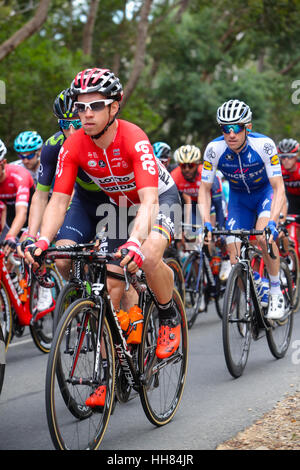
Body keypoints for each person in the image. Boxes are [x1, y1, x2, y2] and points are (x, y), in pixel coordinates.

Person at [24, 68, 182, 389]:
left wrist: (137, 241)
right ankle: (113, 359)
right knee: (111, 281)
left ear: (114, 107)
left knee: (149, 256)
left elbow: (150, 200)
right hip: (119, 208)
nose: (86, 113)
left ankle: (168, 316)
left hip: (158, 200)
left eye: (95, 105)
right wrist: (41, 239)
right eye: (80, 106)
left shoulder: (133, 138)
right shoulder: (74, 145)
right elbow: (57, 201)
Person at [198, 99, 286, 320]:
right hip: (239, 200)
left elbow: (278, 186)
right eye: (225, 129)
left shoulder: (264, 145)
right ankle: (257, 284)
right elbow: (204, 189)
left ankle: (276, 291)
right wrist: (206, 223)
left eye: (236, 127)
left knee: (264, 237)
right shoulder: (213, 149)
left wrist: (273, 222)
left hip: (264, 194)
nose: (231, 134)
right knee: (234, 254)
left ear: (247, 127)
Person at [171, 144, 225, 231]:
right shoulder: (174, 176)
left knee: (211, 232)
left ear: (197, 164)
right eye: (183, 166)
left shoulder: (206, 173)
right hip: (194, 203)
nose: (187, 169)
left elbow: (218, 206)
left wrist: (221, 228)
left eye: (191, 165)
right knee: (190, 235)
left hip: (211, 202)